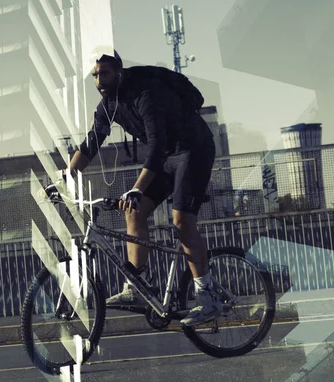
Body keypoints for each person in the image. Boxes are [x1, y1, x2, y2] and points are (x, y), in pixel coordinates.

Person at [54, 47, 220, 327]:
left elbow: (154, 147)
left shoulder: (145, 93)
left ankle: (208, 297)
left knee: (181, 221)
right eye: (95, 76)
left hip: (193, 150)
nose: (99, 81)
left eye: (104, 73)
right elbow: (91, 143)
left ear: (119, 70)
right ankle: (138, 286)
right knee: (134, 212)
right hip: (167, 158)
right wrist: (64, 178)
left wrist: (137, 187)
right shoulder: (108, 105)